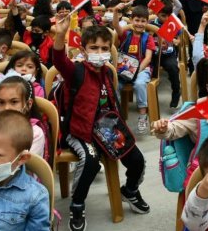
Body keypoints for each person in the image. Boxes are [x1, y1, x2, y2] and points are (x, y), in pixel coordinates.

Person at [52, 23, 149, 229]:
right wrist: (60, 36)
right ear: (83, 50)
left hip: (106, 129)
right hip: (79, 131)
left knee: (137, 158)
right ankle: (77, 204)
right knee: (90, 160)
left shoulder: (107, 72)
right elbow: (59, 59)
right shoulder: (75, 71)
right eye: (94, 48)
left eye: (104, 49)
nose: (100, 53)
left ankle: (129, 190)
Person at [112, 4, 155, 133]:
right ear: (131, 21)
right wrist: (115, 11)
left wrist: (136, 72)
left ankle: (142, 115)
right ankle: (117, 115)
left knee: (139, 84)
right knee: (115, 85)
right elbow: (115, 26)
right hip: (124, 68)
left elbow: (148, 58)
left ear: (147, 22)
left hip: (142, 69)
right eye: (137, 20)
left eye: (143, 21)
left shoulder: (149, 38)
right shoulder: (126, 34)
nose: (140, 24)